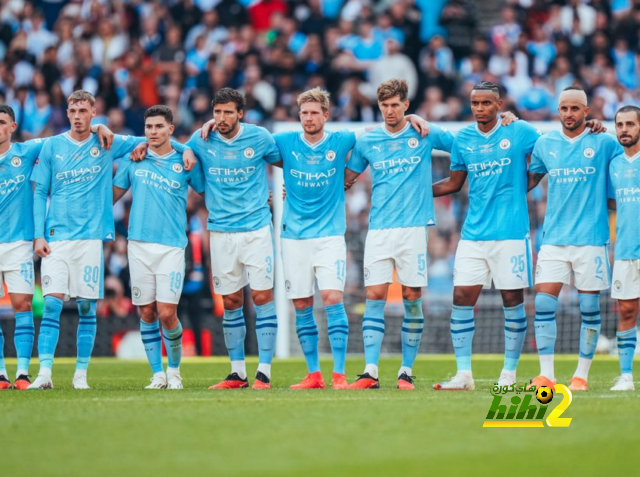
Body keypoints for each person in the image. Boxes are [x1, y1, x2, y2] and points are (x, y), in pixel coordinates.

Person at [28, 90, 194, 390]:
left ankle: (81, 375)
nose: (77, 116)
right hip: (56, 237)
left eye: (83, 111)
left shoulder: (109, 142)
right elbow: (39, 191)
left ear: (94, 111)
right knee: (51, 305)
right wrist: (38, 234)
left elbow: (157, 143)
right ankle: (45, 373)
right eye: (72, 110)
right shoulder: (52, 145)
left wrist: (186, 149)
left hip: (92, 239)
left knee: (87, 308)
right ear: (67, 113)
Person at [344, 79, 455, 389]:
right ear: (379, 107)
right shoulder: (369, 141)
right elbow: (347, 178)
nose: (390, 110)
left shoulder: (422, 133)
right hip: (378, 229)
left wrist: (448, 182)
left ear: (406, 105)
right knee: (374, 296)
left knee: (412, 297)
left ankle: (406, 371)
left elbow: (462, 147)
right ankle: (370, 371)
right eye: (385, 105)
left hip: (413, 230)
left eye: (395, 105)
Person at [431, 82, 542, 390]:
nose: (479, 108)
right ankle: (463, 374)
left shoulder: (518, 132)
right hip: (473, 234)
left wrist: (525, 185)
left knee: (512, 300)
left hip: (511, 233)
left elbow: (546, 155)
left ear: (498, 104)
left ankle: (508, 373)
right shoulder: (464, 138)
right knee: (461, 298)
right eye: (475, 103)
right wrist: (417, 194)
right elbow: (453, 183)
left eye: (486, 103)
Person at [528, 86, 623, 392]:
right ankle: (546, 375)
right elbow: (530, 179)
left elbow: (630, 156)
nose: (569, 114)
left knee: (589, 308)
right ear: (558, 111)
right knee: (543, 303)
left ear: (586, 112)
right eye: (564, 108)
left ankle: (581, 375)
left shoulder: (605, 142)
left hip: (591, 240)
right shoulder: (545, 144)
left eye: (575, 109)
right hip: (554, 238)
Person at [187, 88, 281, 390]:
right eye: (217, 112)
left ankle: (264, 372)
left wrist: (291, 189)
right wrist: (187, 149)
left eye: (228, 112)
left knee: (262, 297)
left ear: (240, 113)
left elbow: (289, 161)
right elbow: (173, 148)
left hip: (256, 229)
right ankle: (237, 373)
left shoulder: (260, 137)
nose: (222, 118)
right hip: (221, 231)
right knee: (230, 300)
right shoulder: (202, 140)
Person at [113, 105, 205, 390]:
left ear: (170, 129)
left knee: (167, 313)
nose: (153, 132)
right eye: (149, 127)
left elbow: (208, 192)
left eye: (159, 127)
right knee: (146, 312)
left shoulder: (185, 161)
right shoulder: (134, 159)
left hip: (172, 247)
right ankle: (157, 374)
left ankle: (174, 371)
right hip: (138, 245)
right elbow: (110, 198)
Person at [0, 105, 47, 390]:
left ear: (12, 127)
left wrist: (96, 127)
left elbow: (64, 138)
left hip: (18, 243)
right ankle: (0, 374)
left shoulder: (26, 152)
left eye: (1, 122)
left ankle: (21, 374)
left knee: (23, 305)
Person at [608, 105, 640, 391]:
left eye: (630, 124)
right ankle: (626, 376)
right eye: (620, 125)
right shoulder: (614, 164)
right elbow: (610, 202)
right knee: (627, 310)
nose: (624, 129)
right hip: (627, 250)